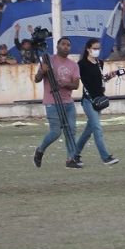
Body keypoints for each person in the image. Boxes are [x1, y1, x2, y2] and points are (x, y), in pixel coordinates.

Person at [32, 37, 82, 169]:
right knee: (55, 132)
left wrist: (65, 83)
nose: (66, 47)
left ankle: (70, 159)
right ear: (58, 46)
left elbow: (76, 85)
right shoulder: (48, 60)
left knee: (71, 131)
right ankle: (40, 150)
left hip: (68, 103)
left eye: (68, 45)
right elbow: (36, 79)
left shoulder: (73, 65)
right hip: (52, 102)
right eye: (63, 44)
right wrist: (42, 71)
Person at [74, 38, 120, 166]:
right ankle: (105, 157)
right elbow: (83, 81)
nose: (97, 50)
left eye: (98, 48)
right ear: (88, 49)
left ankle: (74, 154)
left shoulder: (100, 63)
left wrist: (109, 76)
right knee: (97, 129)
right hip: (89, 101)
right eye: (94, 48)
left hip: (99, 100)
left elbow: (100, 80)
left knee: (88, 131)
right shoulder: (81, 64)